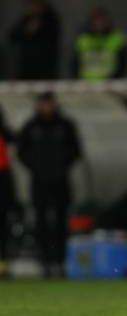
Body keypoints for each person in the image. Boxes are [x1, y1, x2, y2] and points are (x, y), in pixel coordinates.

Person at [18, 92, 81, 277]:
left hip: (60, 182)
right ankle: (44, 261)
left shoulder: (65, 125)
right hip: (39, 183)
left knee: (61, 221)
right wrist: (37, 168)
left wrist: (60, 167)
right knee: (41, 222)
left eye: (49, 104)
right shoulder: (31, 126)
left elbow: (75, 150)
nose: (46, 107)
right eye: (43, 104)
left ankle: (60, 261)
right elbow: (22, 152)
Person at [8, 0, 60, 80]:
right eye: (30, 5)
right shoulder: (25, 19)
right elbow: (12, 36)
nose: (32, 7)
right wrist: (26, 31)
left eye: (34, 4)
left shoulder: (51, 19)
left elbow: (53, 38)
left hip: (45, 69)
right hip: (26, 68)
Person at [73, 8, 127, 81]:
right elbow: (74, 65)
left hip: (111, 86)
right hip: (86, 85)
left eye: (102, 20)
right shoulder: (83, 40)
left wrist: (116, 80)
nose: (99, 23)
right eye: (96, 20)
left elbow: (123, 65)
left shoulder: (117, 39)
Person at [0, 106, 16, 276]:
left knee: (3, 224)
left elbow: (17, 138)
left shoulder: (4, 133)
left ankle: (3, 262)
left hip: (2, 182)